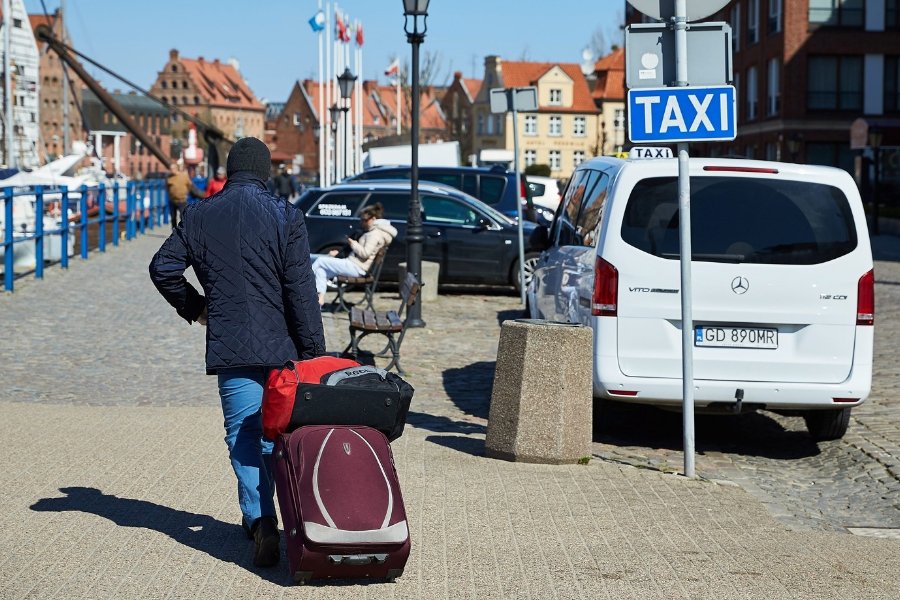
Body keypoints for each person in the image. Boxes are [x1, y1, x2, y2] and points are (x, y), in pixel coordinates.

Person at [149, 137, 325, 568]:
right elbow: (301, 294)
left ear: (228, 171)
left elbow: (162, 268)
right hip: (282, 348)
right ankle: (295, 521)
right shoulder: (287, 216)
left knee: (242, 434)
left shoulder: (199, 214)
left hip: (232, 346)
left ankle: (261, 520)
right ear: (265, 173)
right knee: (279, 434)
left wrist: (197, 308)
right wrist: (315, 355)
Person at [311, 203, 397, 305]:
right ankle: (318, 299)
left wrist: (354, 244)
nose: (362, 223)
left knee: (320, 261)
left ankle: (302, 285)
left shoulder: (375, 234)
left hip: (357, 268)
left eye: (364, 220)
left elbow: (365, 254)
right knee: (321, 271)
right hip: (355, 265)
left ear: (373, 219)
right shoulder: (375, 232)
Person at [165, 161, 203, 228]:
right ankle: (174, 231)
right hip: (172, 200)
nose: (171, 170)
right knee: (173, 217)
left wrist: (187, 193)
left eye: (173, 168)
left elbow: (190, 185)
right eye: (170, 169)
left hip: (182, 200)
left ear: (176, 168)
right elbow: (167, 188)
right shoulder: (168, 178)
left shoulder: (183, 176)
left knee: (182, 216)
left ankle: (183, 231)